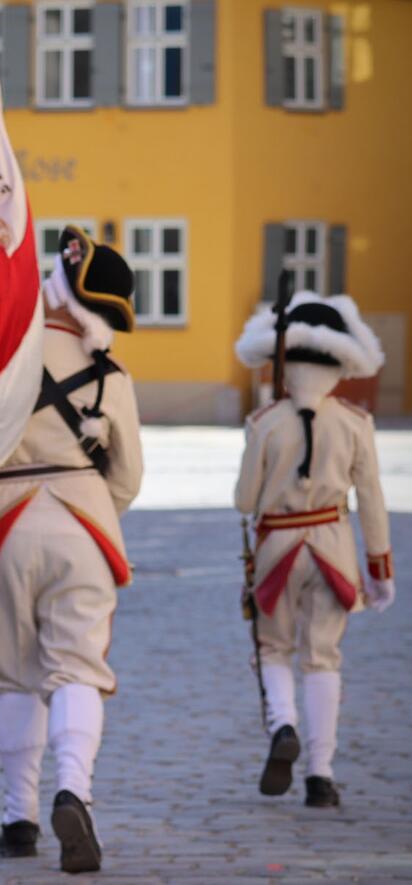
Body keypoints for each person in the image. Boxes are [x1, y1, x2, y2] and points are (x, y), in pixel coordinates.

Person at [0, 225, 143, 873]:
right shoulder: (110, 373)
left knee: (15, 677)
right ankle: (75, 788)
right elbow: (127, 476)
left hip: (2, 523)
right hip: (83, 522)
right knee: (77, 669)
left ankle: (19, 818)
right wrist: (90, 509)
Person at [233, 291, 393, 808]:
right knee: (324, 658)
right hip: (333, 546)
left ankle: (283, 724)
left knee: (273, 648)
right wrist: (379, 567)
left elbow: (243, 500)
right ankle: (321, 776)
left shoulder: (265, 424)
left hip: (279, 547)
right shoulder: (355, 423)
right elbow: (371, 499)